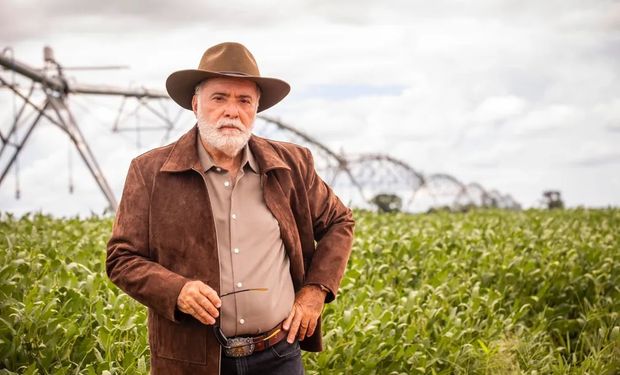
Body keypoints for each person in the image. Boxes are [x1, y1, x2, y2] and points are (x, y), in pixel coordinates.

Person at [106, 42, 355, 375]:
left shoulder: (293, 164)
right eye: (219, 98)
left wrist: (315, 291)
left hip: (278, 355)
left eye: (244, 100)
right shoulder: (150, 171)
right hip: (192, 362)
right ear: (196, 104)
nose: (231, 111)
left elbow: (340, 222)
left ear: (256, 108)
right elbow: (122, 259)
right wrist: (177, 290)